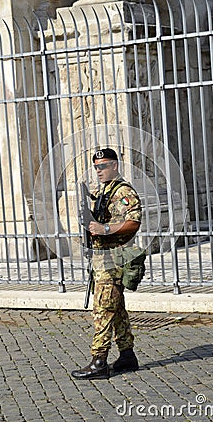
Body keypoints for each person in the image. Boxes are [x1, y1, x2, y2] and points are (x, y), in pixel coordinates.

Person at [71, 148, 142, 380]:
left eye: (103, 166)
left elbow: (133, 222)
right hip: (102, 258)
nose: (99, 171)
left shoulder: (123, 192)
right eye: (96, 167)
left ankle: (99, 361)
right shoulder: (103, 191)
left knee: (103, 308)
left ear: (115, 166)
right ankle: (127, 355)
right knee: (116, 306)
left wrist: (106, 229)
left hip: (114, 258)